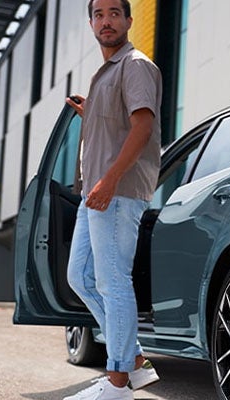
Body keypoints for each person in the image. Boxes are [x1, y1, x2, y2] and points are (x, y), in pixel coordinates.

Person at [63, 0, 162, 399]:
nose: (106, 21)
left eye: (114, 14)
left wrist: (109, 180)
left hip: (116, 191)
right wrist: (92, 114)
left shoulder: (135, 65)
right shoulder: (105, 73)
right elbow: (117, 126)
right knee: (80, 277)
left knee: (113, 281)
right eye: (99, 15)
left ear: (128, 21)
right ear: (91, 23)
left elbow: (143, 126)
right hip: (96, 191)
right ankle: (134, 360)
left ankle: (118, 381)